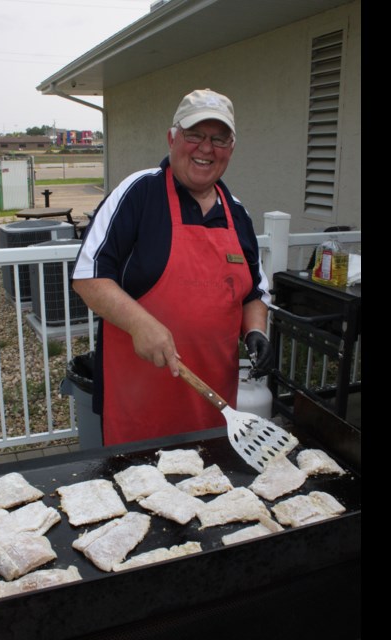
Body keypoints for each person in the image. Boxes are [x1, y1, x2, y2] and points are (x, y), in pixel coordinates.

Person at [70, 88, 273, 446]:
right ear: (172, 137)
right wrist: (140, 323)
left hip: (214, 408)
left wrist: (256, 331)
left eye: (218, 138)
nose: (206, 148)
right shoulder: (137, 194)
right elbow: (88, 276)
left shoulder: (237, 212)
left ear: (231, 148)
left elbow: (253, 292)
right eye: (194, 135)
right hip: (139, 407)